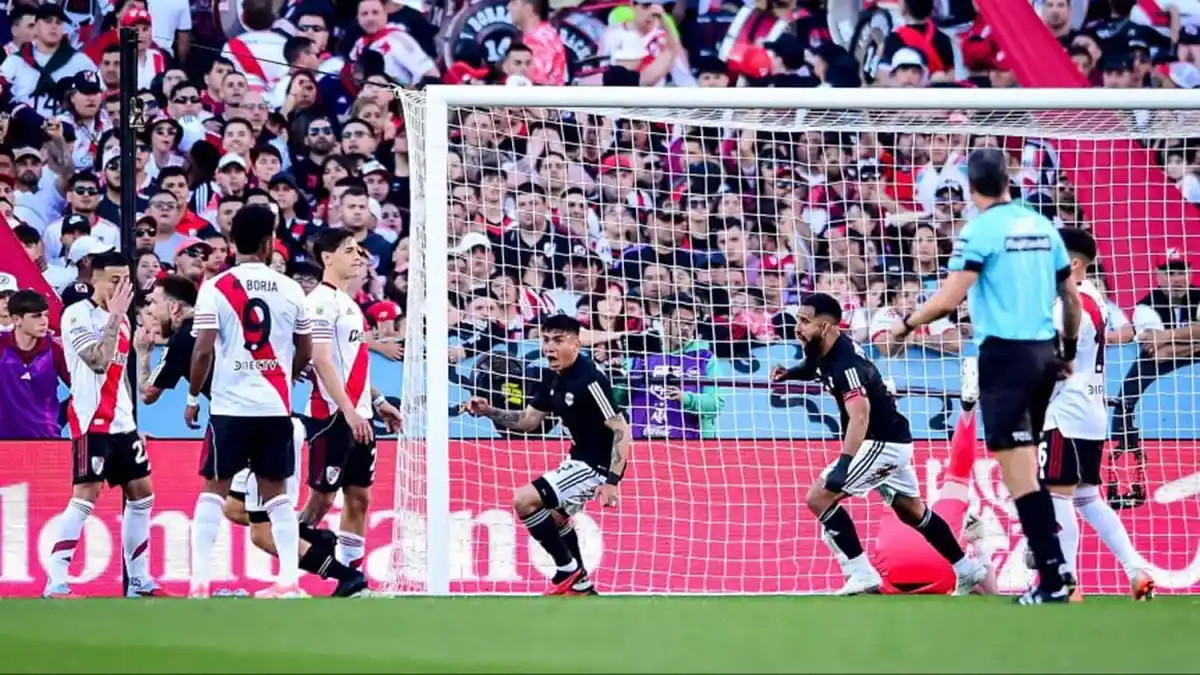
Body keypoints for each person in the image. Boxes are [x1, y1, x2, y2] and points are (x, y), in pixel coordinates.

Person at [891, 147, 1082, 604]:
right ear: (1008, 181)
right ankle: (1056, 571)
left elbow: (948, 300)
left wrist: (905, 324)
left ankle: (1053, 578)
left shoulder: (979, 230)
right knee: (1025, 470)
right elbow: (1071, 299)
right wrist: (1068, 350)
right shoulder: (1042, 225)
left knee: (1019, 474)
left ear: (972, 186)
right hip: (1044, 356)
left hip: (1005, 358)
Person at [141, 274, 368, 597]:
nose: (149, 311)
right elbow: (307, 352)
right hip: (278, 416)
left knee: (260, 529)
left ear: (175, 308)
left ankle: (339, 575)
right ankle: (312, 541)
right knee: (237, 510)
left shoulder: (190, 334)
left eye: (153, 303)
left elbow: (148, 394)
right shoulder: (270, 302)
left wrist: (143, 353)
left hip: (239, 420)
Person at [771, 293, 986, 596]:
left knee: (819, 498)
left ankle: (861, 573)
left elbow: (860, 416)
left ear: (827, 326)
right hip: (893, 439)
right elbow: (813, 365)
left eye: (805, 321)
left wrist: (844, 465)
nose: (798, 328)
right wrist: (791, 373)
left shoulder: (847, 365)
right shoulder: (824, 346)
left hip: (881, 442)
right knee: (912, 512)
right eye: (798, 320)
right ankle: (966, 570)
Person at [185, 204, 312, 599]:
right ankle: (288, 580)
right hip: (273, 408)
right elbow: (306, 349)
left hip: (230, 409)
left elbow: (202, 350)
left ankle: (199, 582)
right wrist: (286, 374)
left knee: (213, 492)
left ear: (231, 242)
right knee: (277, 497)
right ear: (268, 242)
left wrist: (193, 396)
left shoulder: (216, 287)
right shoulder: (290, 288)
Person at [464, 314, 630, 595]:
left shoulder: (590, 380)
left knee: (523, 500)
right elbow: (528, 421)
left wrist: (612, 481)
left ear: (576, 344)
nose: (549, 347)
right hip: (578, 459)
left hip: (595, 466)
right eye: (546, 340)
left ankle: (568, 569)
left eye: (558, 340)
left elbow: (621, 429)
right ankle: (580, 584)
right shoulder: (553, 378)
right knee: (552, 520)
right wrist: (489, 411)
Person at [1038, 227, 1154, 601]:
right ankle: (1136, 569)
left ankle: (1066, 583)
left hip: (1065, 410)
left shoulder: (1068, 306)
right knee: (1087, 498)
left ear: (1073, 263)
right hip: (1091, 410)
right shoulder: (1095, 298)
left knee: (1057, 496)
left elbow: (1056, 363)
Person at [48, 251, 164, 598]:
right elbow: (98, 361)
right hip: (92, 421)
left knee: (142, 494)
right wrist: (113, 318)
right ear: (94, 280)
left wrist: (132, 418)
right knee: (86, 496)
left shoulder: (123, 319)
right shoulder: (76, 315)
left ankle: (139, 581)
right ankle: (56, 580)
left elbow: (119, 372)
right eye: (114, 280)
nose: (121, 287)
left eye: (125, 280)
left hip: (121, 422)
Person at [299, 228, 403, 572]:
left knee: (359, 497)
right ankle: (287, 562)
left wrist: (377, 402)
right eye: (349, 250)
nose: (359, 256)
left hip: (359, 414)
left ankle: (350, 578)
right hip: (331, 414)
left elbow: (352, 363)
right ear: (327, 258)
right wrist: (348, 410)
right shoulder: (319, 303)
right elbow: (321, 360)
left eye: (360, 251)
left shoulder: (349, 304)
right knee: (322, 499)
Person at [871, 358, 999, 595]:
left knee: (946, 477)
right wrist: (979, 544)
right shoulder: (956, 573)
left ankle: (885, 405)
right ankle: (967, 409)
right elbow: (992, 596)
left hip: (895, 571)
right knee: (955, 477)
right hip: (937, 565)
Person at [0, 290, 70, 439]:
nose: (44, 321)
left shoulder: (55, 350)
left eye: (46, 315)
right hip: (3, 440)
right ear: (16, 319)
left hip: (47, 438)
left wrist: (58, 419)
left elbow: (81, 390)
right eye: (36, 316)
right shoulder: (1, 347)